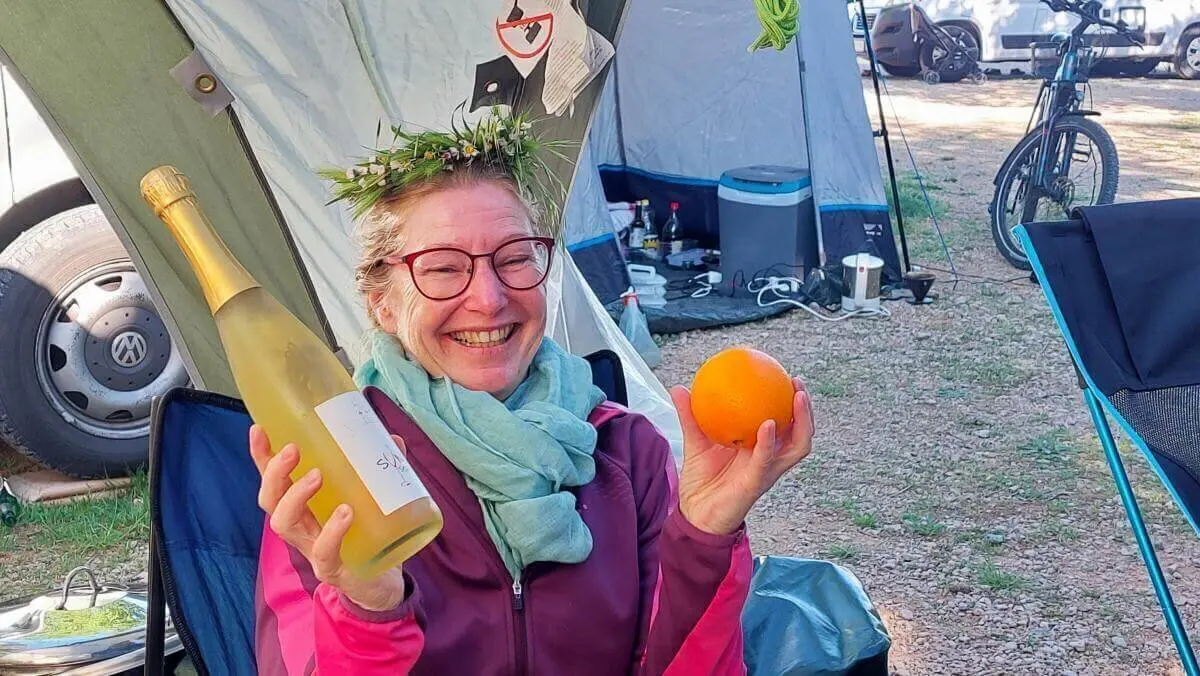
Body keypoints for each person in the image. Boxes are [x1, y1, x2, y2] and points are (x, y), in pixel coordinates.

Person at [251, 110, 814, 674]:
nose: (490, 299)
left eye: (516, 258)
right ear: (383, 304)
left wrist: (704, 539)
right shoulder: (337, 469)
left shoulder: (626, 451)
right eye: (444, 269)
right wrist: (369, 610)